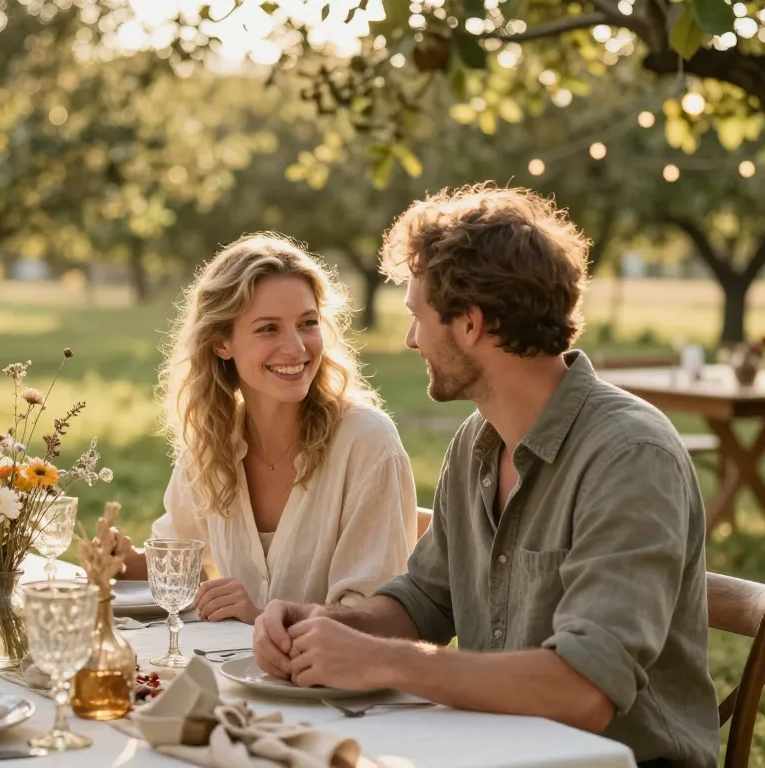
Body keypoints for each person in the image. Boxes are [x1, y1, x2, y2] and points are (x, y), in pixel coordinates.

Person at [252, 186, 719, 768]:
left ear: (470, 323)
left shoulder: (630, 456)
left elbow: (583, 690)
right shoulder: (477, 442)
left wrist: (386, 662)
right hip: (490, 751)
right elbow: (425, 599)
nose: (411, 339)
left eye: (419, 318)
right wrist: (327, 623)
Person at [118, 232, 418, 625]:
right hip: (234, 678)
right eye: (268, 329)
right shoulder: (212, 444)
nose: (295, 348)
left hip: (332, 685)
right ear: (222, 342)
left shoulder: (366, 441)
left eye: (307, 323)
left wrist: (259, 617)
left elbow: (374, 620)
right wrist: (121, 563)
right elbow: (176, 561)